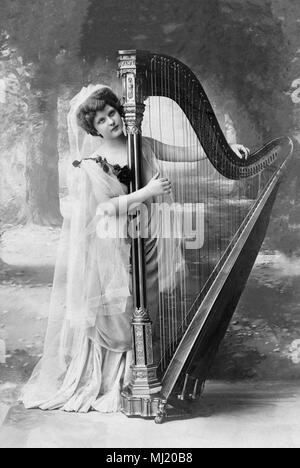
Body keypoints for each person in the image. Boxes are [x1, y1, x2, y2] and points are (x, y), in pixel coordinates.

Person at [21, 85, 249, 414]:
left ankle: (139, 375)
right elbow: (104, 211)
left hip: (149, 239)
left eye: (112, 112)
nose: (110, 121)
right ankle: (115, 381)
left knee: (149, 305)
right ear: (92, 128)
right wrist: (149, 191)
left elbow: (185, 152)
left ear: (120, 111)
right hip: (112, 246)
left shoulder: (139, 143)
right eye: (101, 120)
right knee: (122, 309)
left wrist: (224, 148)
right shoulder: (90, 164)